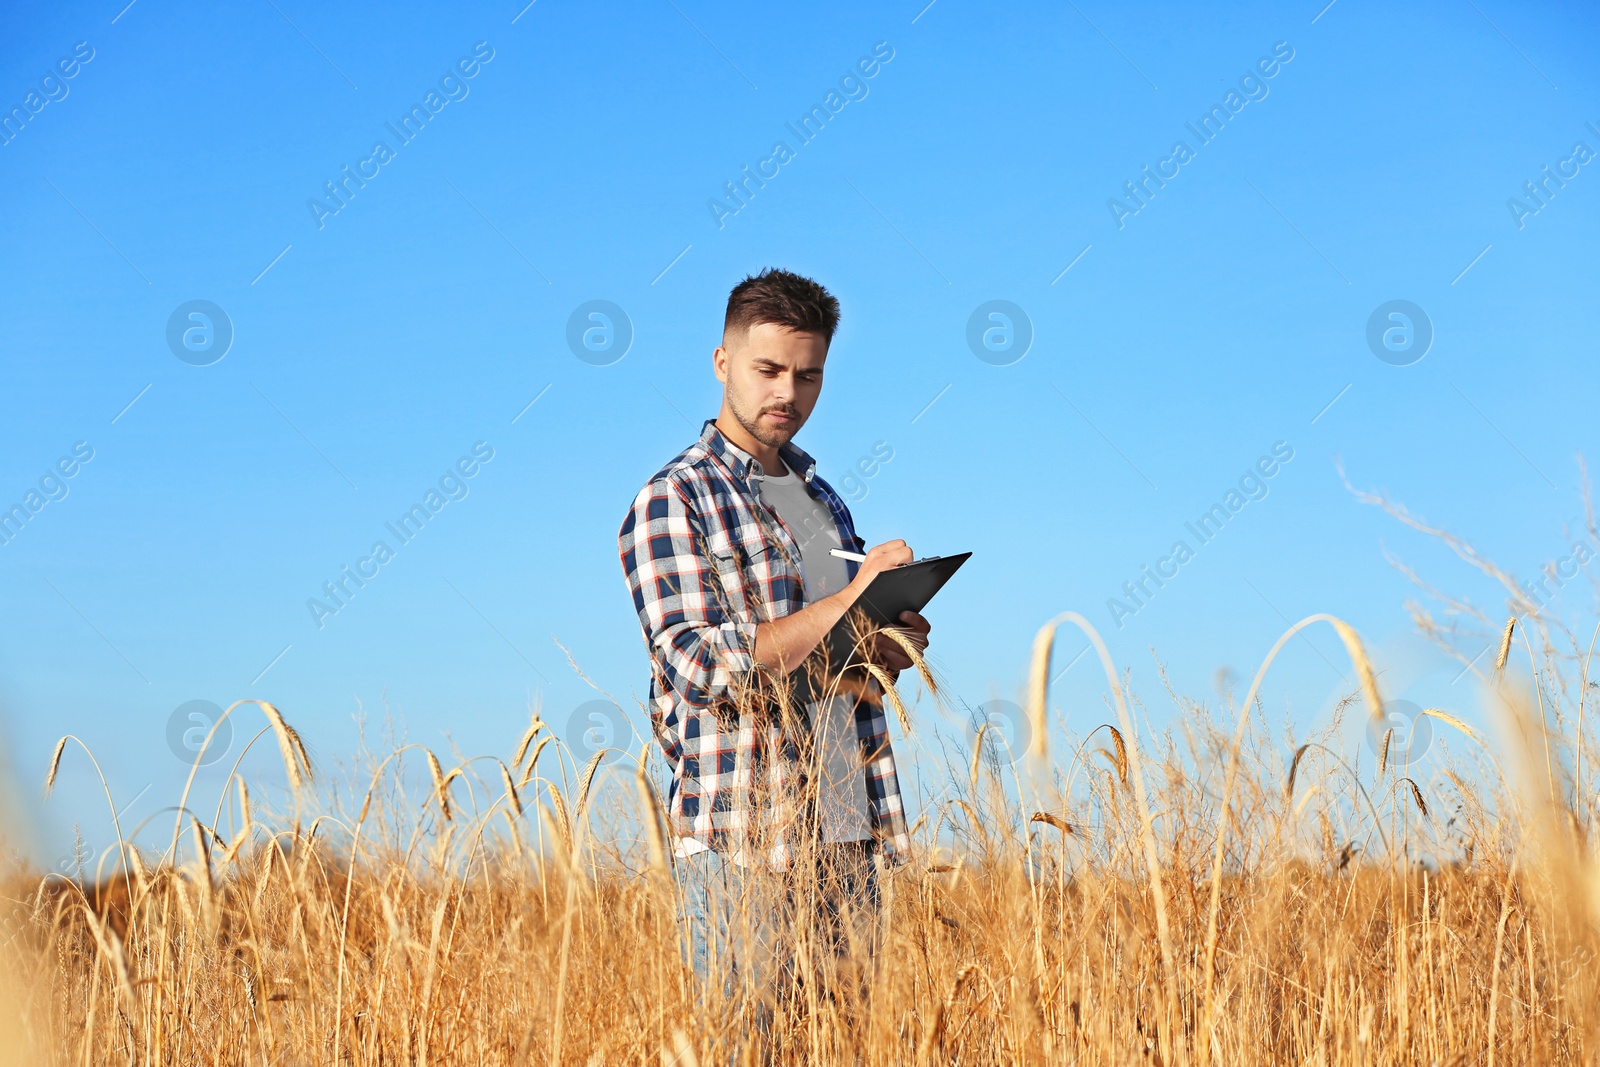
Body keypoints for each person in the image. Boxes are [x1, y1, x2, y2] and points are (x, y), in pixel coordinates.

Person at [617, 267, 930, 1027]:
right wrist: (852, 600)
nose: (788, 392)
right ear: (722, 362)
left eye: (808, 374)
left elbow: (837, 655)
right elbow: (698, 662)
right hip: (743, 844)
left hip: (849, 832)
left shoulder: (824, 501)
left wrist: (890, 637)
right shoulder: (674, 497)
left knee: (848, 1048)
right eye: (768, 369)